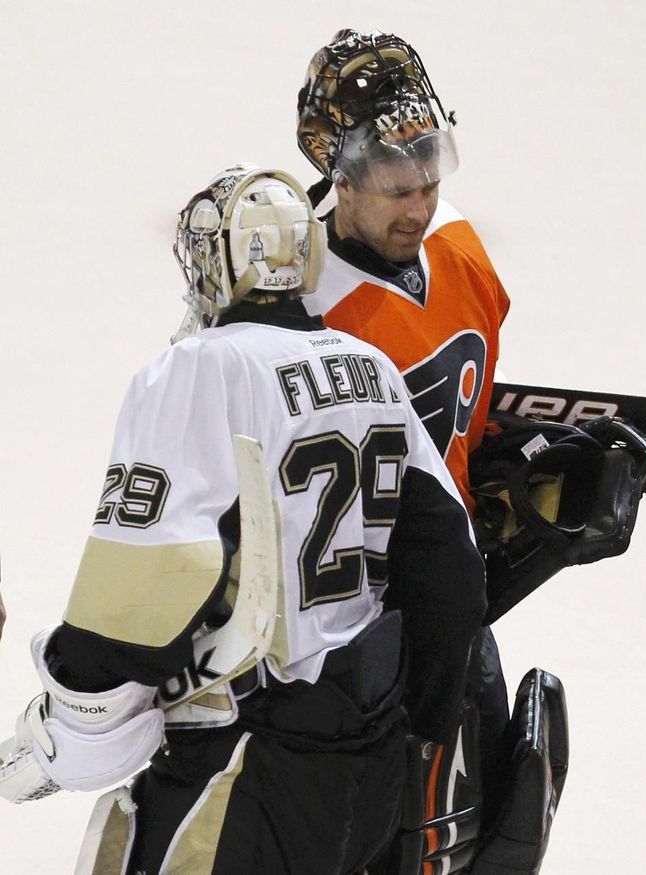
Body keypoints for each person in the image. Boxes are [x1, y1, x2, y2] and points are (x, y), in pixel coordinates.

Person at [0, 165, 486, 875]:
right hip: (370, 774)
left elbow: (144, 591)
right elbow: (451, 571)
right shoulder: (373, 370)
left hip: (243, 769)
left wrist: (65, 729)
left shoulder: (202, 369)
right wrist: (415, 738)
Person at [295, 29, 528, 875]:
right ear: (338, 171)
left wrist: (529, 453)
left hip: (453, 615)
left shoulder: (461, 252)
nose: (419, 206)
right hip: (337, 664)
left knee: (492, 838)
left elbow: (466, 405)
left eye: (430, 179)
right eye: (397, 187)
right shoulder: (286, 300)